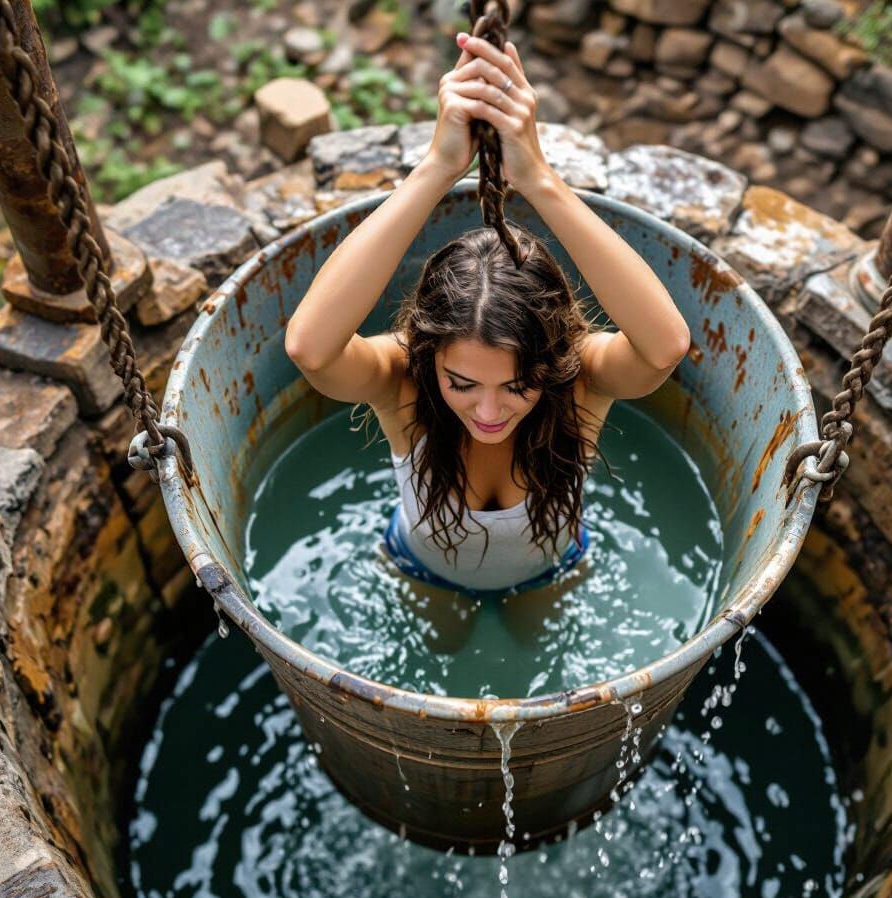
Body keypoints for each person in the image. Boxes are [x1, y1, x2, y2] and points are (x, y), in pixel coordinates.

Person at [284, 12, 691, 602]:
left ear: (550, 362)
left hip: (554, 568)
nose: (491, 411)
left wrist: (538, 178)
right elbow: (310, 348)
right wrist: (437, 166)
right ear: (430, 358)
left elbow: (665, 346)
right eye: (463, 383)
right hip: (421, 571)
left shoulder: (579, 379)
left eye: (521, 384)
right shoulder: (404, 385)